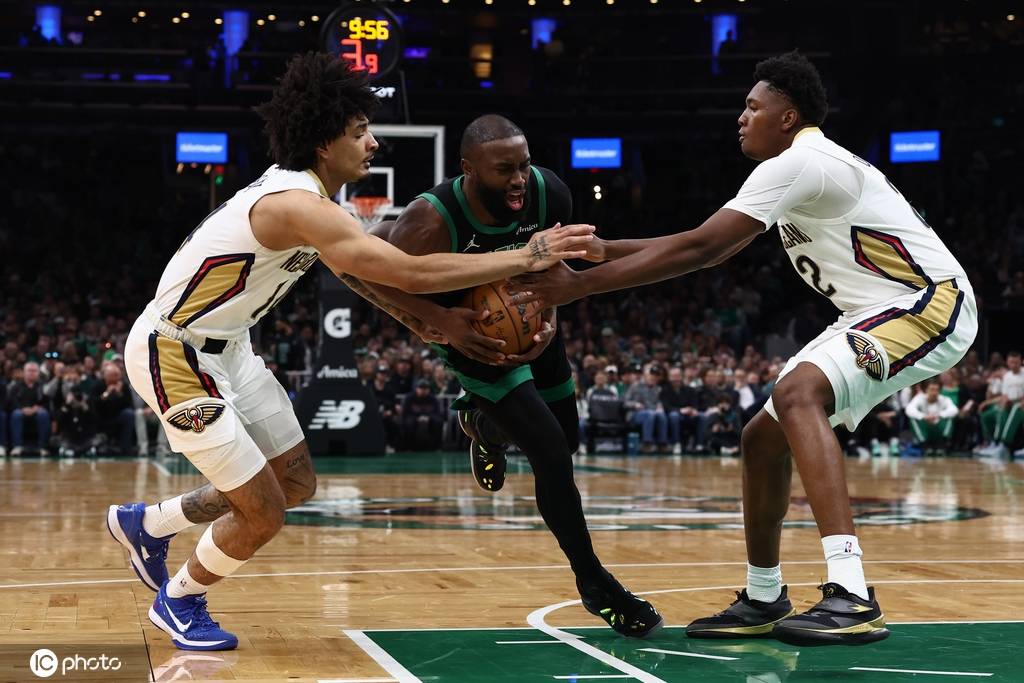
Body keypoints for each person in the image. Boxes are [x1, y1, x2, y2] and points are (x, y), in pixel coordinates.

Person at [104, 55, 593, 652]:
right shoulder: (295, 204)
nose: (373, 142)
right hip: (174, 354)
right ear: (323, 142)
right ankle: (178, 599)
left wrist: (424, 322)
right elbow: (405, 270)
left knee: (294, 482)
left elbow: (358, 276)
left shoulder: (312, 201)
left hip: (230, 348)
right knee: (263, 513)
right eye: (360, 131)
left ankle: (150, 524)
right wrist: (529, 255)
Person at [508, 51, 977, 645]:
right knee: (761, 439)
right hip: (874, 311)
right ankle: (764, 595)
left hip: (929, 301)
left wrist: (582, 286)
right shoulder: (798, 165)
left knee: (798, 393)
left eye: (753, 107)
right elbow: (702, 240)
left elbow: (702, 250)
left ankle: (852, 592)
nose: (742, 117)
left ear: (788, 117)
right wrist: (607, 251)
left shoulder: (802, 160)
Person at [342, 114, 662, 638]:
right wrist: (436, 320)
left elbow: (554, 270)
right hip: (468, 332)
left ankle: (483, 427)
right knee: (551, 453)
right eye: (504, 170)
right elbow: (362, 268)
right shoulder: (430, 220)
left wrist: (548, 319)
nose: (518, 180)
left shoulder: (549, 194)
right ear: (468, 169)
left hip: (532, 320)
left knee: (567, 441)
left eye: (524, 166)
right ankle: (596, 584)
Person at [8, 362, 51, 456]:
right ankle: (17, 446)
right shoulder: (16, 386)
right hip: (21, 410)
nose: (32, 373)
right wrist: (22, 408)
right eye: (29, 371)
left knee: (43, 414)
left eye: (34, 371)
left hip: (37, 411)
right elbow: (12, 402)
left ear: (38, 373)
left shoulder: (43, 387)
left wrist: (38, 408)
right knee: (16, 414)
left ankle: (42, 446)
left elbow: (47, 402)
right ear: (24, 372)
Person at [905, 381, 958, 453]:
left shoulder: (944, 399)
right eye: (932, 389)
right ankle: (924, 445)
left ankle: (942, 444)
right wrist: (924, 416)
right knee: (912, 418)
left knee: (951, 416)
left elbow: (954, 410)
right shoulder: (920, 398)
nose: (934, 392)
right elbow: (909, 409)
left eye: (937, 390)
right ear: (926, 390)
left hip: (939, 429)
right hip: (925, 429)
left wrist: (939, 415)